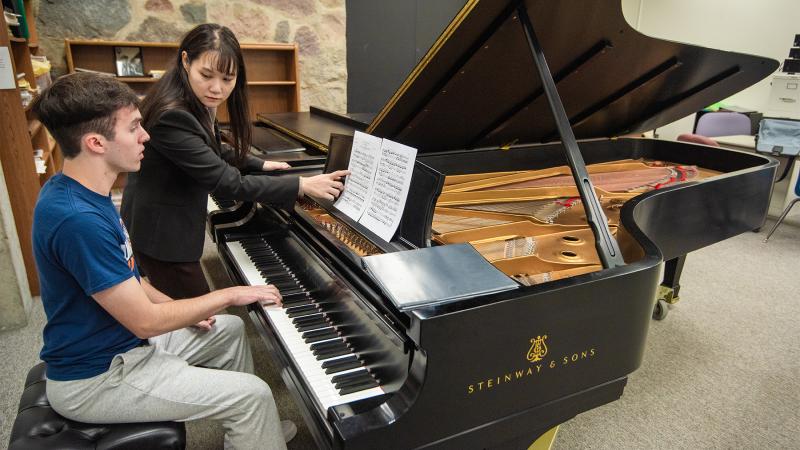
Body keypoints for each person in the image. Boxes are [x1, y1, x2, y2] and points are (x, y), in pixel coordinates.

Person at [31, 72, 296, 450]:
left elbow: (130, 280)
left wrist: (181, 307)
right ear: (95, 142)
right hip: (96, 377)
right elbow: (145, 321)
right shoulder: (77, 220)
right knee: (252, 394)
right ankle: (252, 417)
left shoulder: (84, 188)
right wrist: (228, 294)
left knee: (228, 332)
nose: (146, 136)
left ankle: (249, 435)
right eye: (134, 127)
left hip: (121, 345)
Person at [120, 23, 348, 299]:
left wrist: (258, 163)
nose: (217, 88)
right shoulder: (173, 113)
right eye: (207, 75)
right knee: (198, 319)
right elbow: (225, 183)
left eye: (228, 79)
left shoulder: (189, 97)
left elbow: (209, 148)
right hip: (164, 234)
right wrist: (301, 185)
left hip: (160, 217)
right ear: (185, 61)